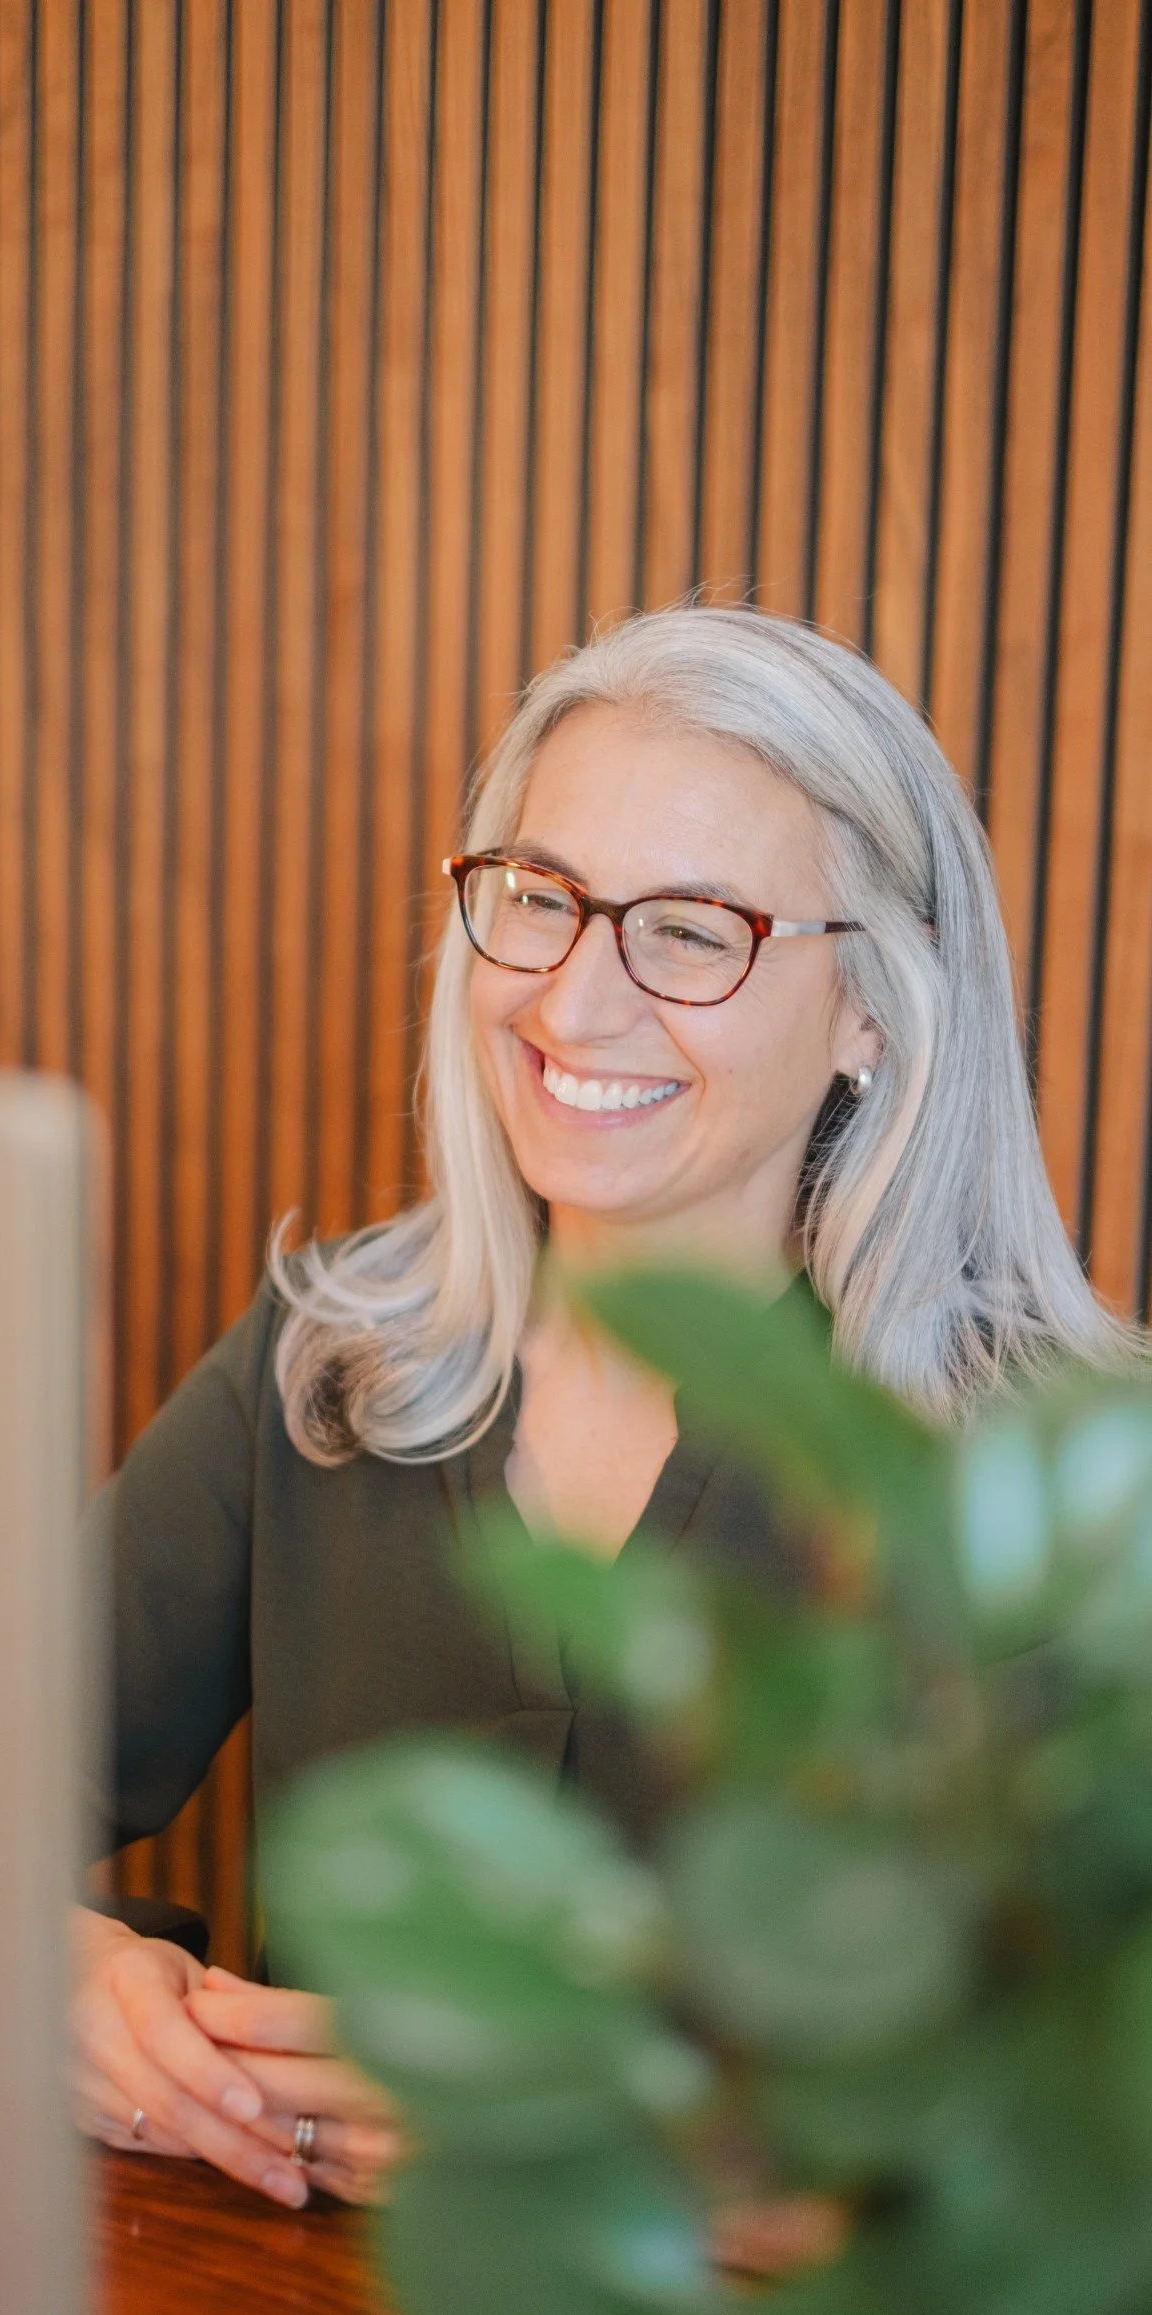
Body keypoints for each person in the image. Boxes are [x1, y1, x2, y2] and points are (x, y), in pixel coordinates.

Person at [70, 605, 1139, 2217]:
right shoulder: (322, 1360)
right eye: (540, 899)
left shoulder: (1053, 1482)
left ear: (874, 1014)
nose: (572, 1005)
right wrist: (60, 1982)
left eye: (693, 930)